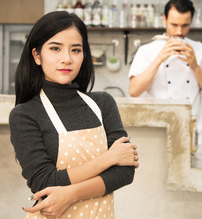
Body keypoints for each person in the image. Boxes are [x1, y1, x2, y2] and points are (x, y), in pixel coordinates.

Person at [9, 11, 139, 219]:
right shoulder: (24, 115)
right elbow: (44, 182)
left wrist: (70, 194)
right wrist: (109, 158)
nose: (66, 59)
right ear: (37, 55)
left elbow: (125, 172)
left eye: (75, 50)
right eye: (55, 48)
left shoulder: (102, 103)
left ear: (83, 55)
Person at [128, 0, 202, 145]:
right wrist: (159, 59)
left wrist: (195, 66)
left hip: (191, 132)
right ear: (164, 20)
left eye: (185, 25)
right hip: (157, 131)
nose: (179, 31)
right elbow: (134, 90)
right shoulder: (147, 51)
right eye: (174, 25)